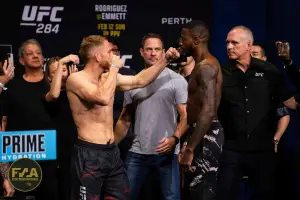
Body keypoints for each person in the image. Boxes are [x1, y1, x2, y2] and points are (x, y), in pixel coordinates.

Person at [66, 35, 180, 200]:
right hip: (89, 154)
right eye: (110, 52)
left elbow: (140, 80)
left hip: (112, 152)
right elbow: (102, 98)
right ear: (98, 56)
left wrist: (165, 60)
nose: (114, 56)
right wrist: (113, 67)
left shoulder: (108, 78)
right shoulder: (76, 79)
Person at [217, 25, 298, 200]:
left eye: (234, 43)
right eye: (227, 43)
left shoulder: (268, 71)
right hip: (232, 149)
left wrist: (289, 64)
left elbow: (291, 104)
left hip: (263, 151)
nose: (229, 46)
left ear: (248, 45)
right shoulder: (221, 72)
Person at [114, 33, 188, 200]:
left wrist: (174, 139)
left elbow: (185, 117)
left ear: (163, 52)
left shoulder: (177, 80)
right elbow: (125, 120)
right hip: (137, 152)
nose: (153, 53)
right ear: (141, 52)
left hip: (166, 153)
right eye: (149, 49)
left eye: (157, 49)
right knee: (124, 197)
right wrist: (110, 147)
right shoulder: (133, 82)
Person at [0, 39, 59, 200]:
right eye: (30, 53)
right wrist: (5, 171)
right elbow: (2, 125)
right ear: (21, 60)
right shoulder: (11, 88)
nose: (35, 56)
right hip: (19, 162)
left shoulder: (53, 87)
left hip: (51, 163)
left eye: (38, 53)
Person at [177, 20, 224, 200]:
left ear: (196, 40)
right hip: (198, 133)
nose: (180, 42)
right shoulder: (201, 65)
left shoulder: (206, 67)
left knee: (202, 191)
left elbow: (209, 110)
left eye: (184, 38)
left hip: (206, 135)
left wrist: (190, 149)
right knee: (191, 191)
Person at [44, 55, 78, 200]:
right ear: (50, 77)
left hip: (80, 146)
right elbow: (54, 93)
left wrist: (77, 81)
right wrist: (63, 62)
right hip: (59, 148)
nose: (62, 73)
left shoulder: (79, 90)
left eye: (64, 69)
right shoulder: (47, 94)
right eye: (56, 71)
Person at [251, 42, 290, 152]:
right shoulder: (236, 78)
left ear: (264, 59)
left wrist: (276, 139)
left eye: (254, 54)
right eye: (248, 54)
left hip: (262, 144)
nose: (251, 58)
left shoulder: (271, 82)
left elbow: (284, 114)